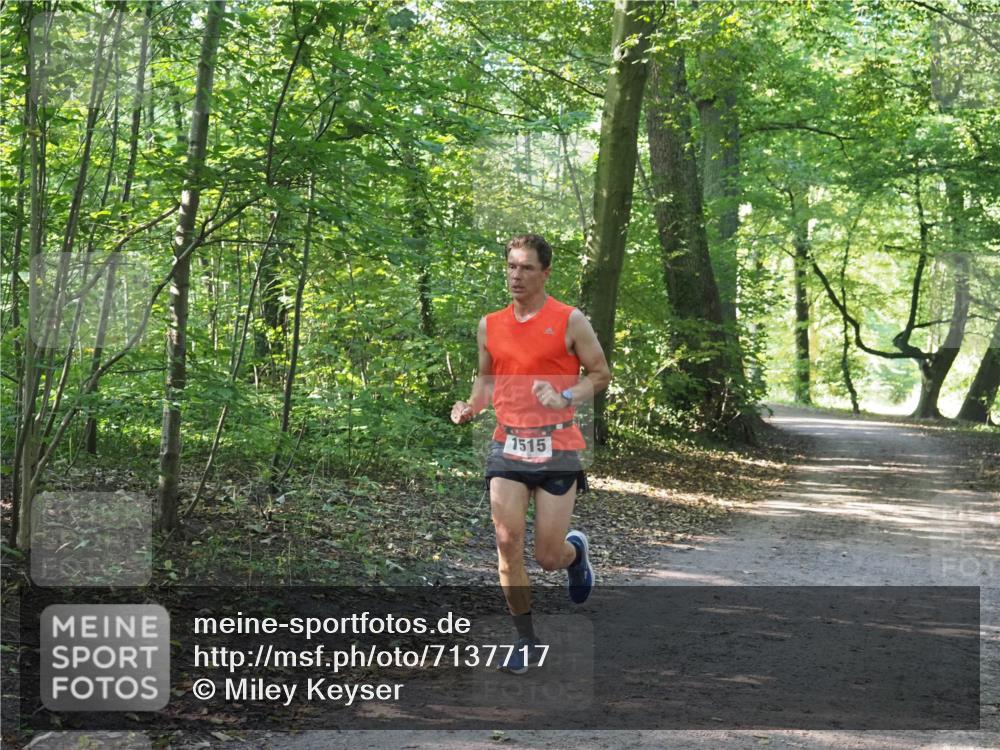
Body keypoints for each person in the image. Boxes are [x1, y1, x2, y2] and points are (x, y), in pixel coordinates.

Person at [451, 233, 611, 674]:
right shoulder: (490, 325)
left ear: (545, 272)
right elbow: (486, 381)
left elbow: (599, 375)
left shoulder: (569, 320)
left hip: (558, 445)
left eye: (525, 267)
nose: (516, 275)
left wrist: (566, 394)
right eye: (511, 266)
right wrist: (471, 408)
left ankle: (574, 554)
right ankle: (525, 641)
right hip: (508, 445)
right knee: (506, 542)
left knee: (546, 558)